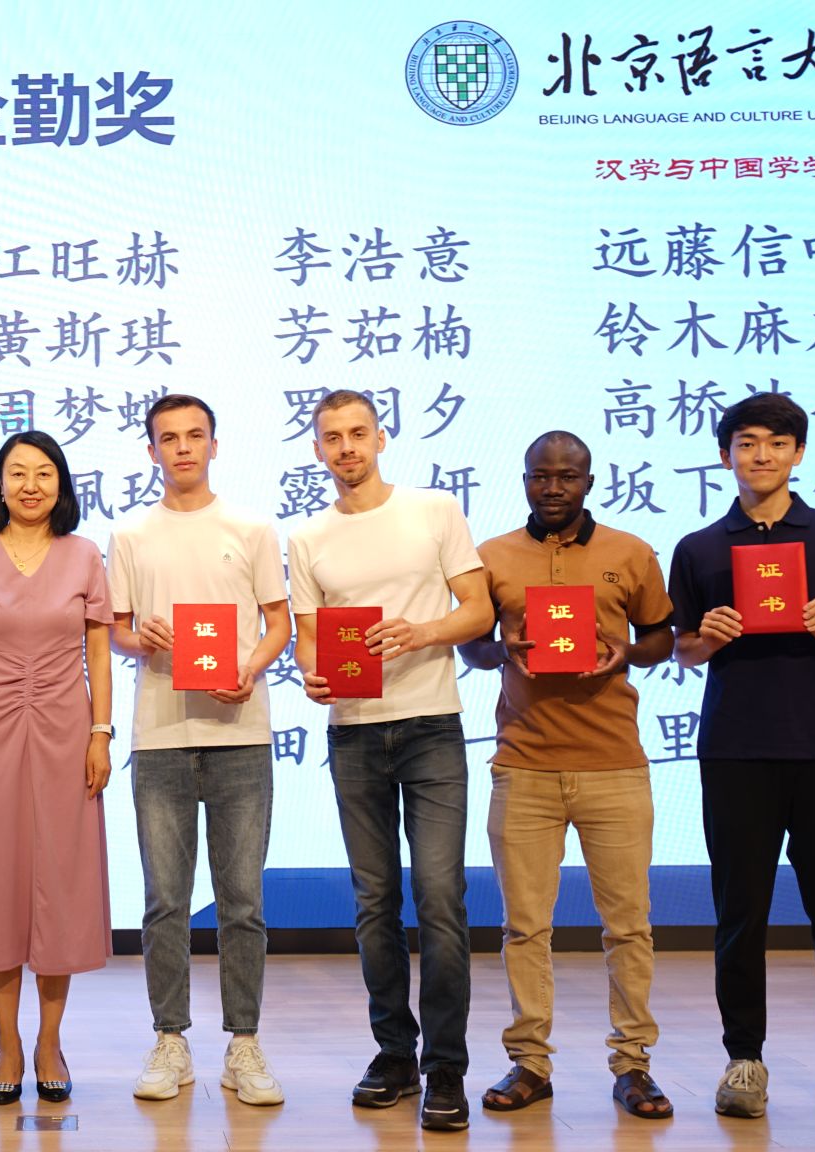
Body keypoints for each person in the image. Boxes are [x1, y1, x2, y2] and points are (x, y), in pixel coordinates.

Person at [668, 392, 815, 1124]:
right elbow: (680, 649)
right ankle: (744, 1059)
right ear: (725, 455)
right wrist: (706, 637)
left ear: (798, 453)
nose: (760, 455)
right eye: (746, 442)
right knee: (740, 912)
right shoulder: (699, 547)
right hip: (735, 749)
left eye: (775, 442)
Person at [287, 390, 491, 1131]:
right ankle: (394, 1053)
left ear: (381, 437)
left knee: (440, 896)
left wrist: (421, 632)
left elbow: (479, 611)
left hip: (432, 725)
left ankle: (446, 1066)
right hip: (353, 732)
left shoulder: (434, 510)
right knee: (374, 901)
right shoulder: (307, 536)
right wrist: (311, 676)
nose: (346, 448)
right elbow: (310, 639)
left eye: (357, 433)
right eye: (331, 437)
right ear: (317, 449)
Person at [456, 431, 677, 1120]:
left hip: (615, 766)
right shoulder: (492, 556)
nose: (553, 488)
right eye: (540, 476)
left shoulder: (631, 552)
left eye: (568, 476)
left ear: (589, 481)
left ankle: (633, 1065)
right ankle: (530, 1062)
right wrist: (502, 650)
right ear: (524, 480)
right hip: (523, 766)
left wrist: (625, 653)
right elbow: (472, 646)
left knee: (628, 927)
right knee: (524, 929)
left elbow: (662, 637)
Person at [109, 394, 289, 1106]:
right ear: (151, 450)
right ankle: (171, 1040)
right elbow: (117, 630)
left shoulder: (252, 528)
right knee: (165, 901)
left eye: (194, 436)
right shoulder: (130, 535)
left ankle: (244, 1042)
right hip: (160, 737)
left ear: (215, 445)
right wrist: (140, 639)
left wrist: (250, 667)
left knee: (242, 901)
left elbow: (279, 624)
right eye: (168, 438)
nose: (182, 448)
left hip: (240, 735)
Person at [0, 429, 114, 1105]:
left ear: (61, 484)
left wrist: (101, 733)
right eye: (18, 473)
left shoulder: (84, 554)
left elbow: (98, 652)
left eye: (44, 473)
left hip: (68, 730)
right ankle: (7, 1042)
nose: (31, 485)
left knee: (61, 884)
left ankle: (49, 1041)